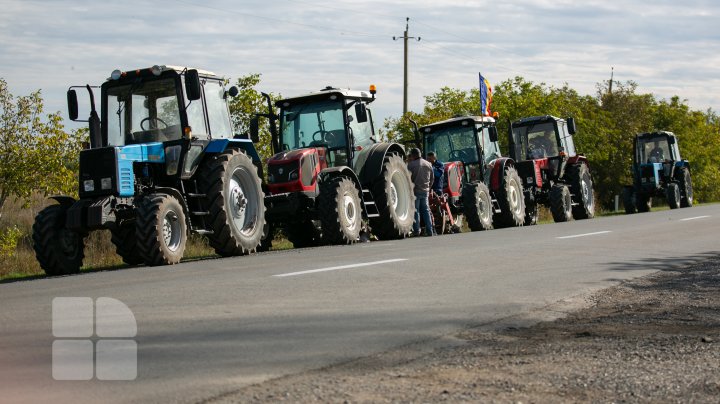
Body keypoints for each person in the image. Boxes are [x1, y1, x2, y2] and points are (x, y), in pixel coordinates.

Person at [407, 148, 434, 236]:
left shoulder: (410, 165)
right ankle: (430, 230)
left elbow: (407, 179)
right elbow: (432, 178)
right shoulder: (428, 164)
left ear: (413, 155)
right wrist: (428, 187)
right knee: (426, 210)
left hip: (415, 191)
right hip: (425, 190)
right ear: (420, 154)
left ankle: (417, 231)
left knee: (416, 211)